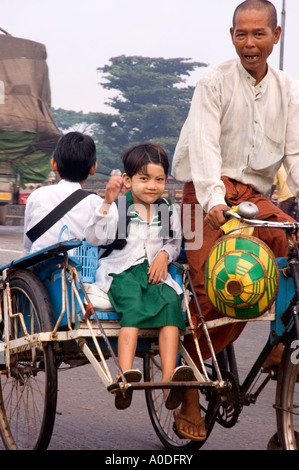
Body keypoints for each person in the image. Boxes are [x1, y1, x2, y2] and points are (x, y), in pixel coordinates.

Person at [172, 0, 299, 441]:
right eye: (241, 35)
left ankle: (281, 346)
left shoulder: (288, 89)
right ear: (232, 36)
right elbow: (205, 150)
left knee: (291, 257)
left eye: (259, 34)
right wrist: (212, 203)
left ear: (275, 36)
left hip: (254, 198)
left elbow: (295, 155)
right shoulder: (213, 81)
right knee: (224, 285)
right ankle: (186, 377)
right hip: (201, 196)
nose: (250, 43)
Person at [84, 142, 193, 410]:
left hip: (154, 273)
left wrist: (165, 255)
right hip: (120, 273)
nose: (152, 186)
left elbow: (174, 243)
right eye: (144, 179)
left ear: (166, 181)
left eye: (159, 179)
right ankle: (124, 376)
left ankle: (169, 383)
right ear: (127, 180)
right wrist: (107, 203)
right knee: (131, 306)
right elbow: (94, 237)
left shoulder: (167, 209)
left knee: (170, 305)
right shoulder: (119, 207)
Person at [24, 131, 102, 254]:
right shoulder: (97, 203)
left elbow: (28, 245)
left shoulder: (37, 195)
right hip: (78, 269)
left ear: (53, 164)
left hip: (38, 267)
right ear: (93, 168)